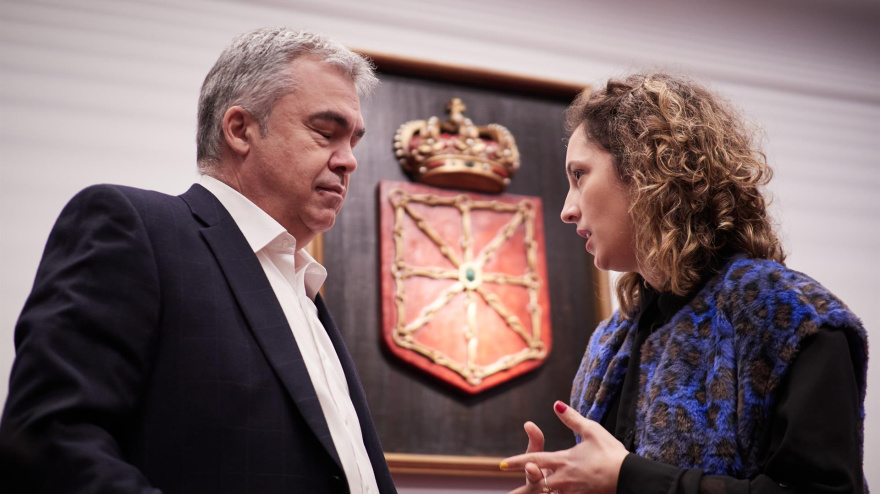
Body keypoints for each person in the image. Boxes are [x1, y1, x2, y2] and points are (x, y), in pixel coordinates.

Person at [0, 27, 397, 494]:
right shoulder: (136, 229)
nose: (348, 160)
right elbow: (48, 440)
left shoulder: (303, 288)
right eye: (326, 132)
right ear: (240, 130)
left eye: (354, 140)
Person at [500, 72, 868, 493]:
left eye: (579, 175)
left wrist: (629, 478)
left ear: (645, 169)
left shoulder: (793, 315)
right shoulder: (611, 340)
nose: (568, 209)